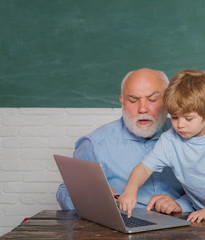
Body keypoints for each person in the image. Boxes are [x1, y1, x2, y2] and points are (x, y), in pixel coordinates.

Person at [118, 69, 205, 222]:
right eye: (174, 117)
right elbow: (144, 168)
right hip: (203, 208)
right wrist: (130, 190)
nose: (180, 125)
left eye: (188, 118)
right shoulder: (170, 140)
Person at [56, 68, 193, 214]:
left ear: (167, 100)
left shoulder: (187, 134)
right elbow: (65, 192)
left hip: (181, 225)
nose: (142, 109)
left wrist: (180, 204)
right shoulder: (95, 144)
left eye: (152, 100)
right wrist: (91, 197)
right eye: (133, 100)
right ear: (121, 100)